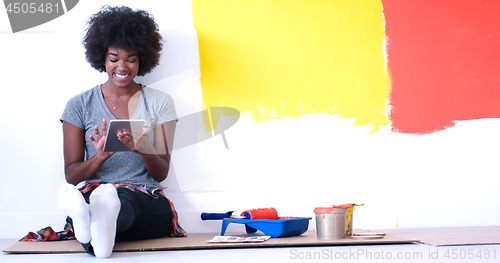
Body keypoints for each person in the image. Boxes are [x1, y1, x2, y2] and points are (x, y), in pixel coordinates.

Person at [58, 6, 185, 258]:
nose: (122, 66)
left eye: (131, 58)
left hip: (143, 197)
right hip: (94, 191)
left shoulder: (160, 102)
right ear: (102, 59)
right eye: (114, 58)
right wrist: (101, 156)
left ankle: (88, 225)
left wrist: (144, 148)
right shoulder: (79, 105)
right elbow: (72, 175)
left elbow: (161, 172)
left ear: (142, 59)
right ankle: (96, 228)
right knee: (99, 199)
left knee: (121, 201)